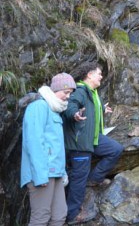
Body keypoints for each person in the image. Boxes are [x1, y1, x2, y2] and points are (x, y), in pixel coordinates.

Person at [63, 63, 123, 225]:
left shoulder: (93, 93)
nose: (101, 76)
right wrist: (74, 114)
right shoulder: (81, 91)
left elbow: (89, 110)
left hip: (94, 138)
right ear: (89, 75)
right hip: (81, 142)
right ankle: (71, 215)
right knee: (78, 179)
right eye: (99, 73)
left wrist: (101, 109)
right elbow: (71, 105)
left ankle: (94, 179)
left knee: (116, 149)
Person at [20, 73, 75, 226]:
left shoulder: (54, 110)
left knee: (59, 216)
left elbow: (56, 146)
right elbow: (34, 142)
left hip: (55, 171)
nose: (68, 97)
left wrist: (63, 172)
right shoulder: (38, 106)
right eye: (66, 92)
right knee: (40, 218)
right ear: (56, 89)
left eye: (70, 93)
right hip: (42, 172)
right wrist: (40, 174)